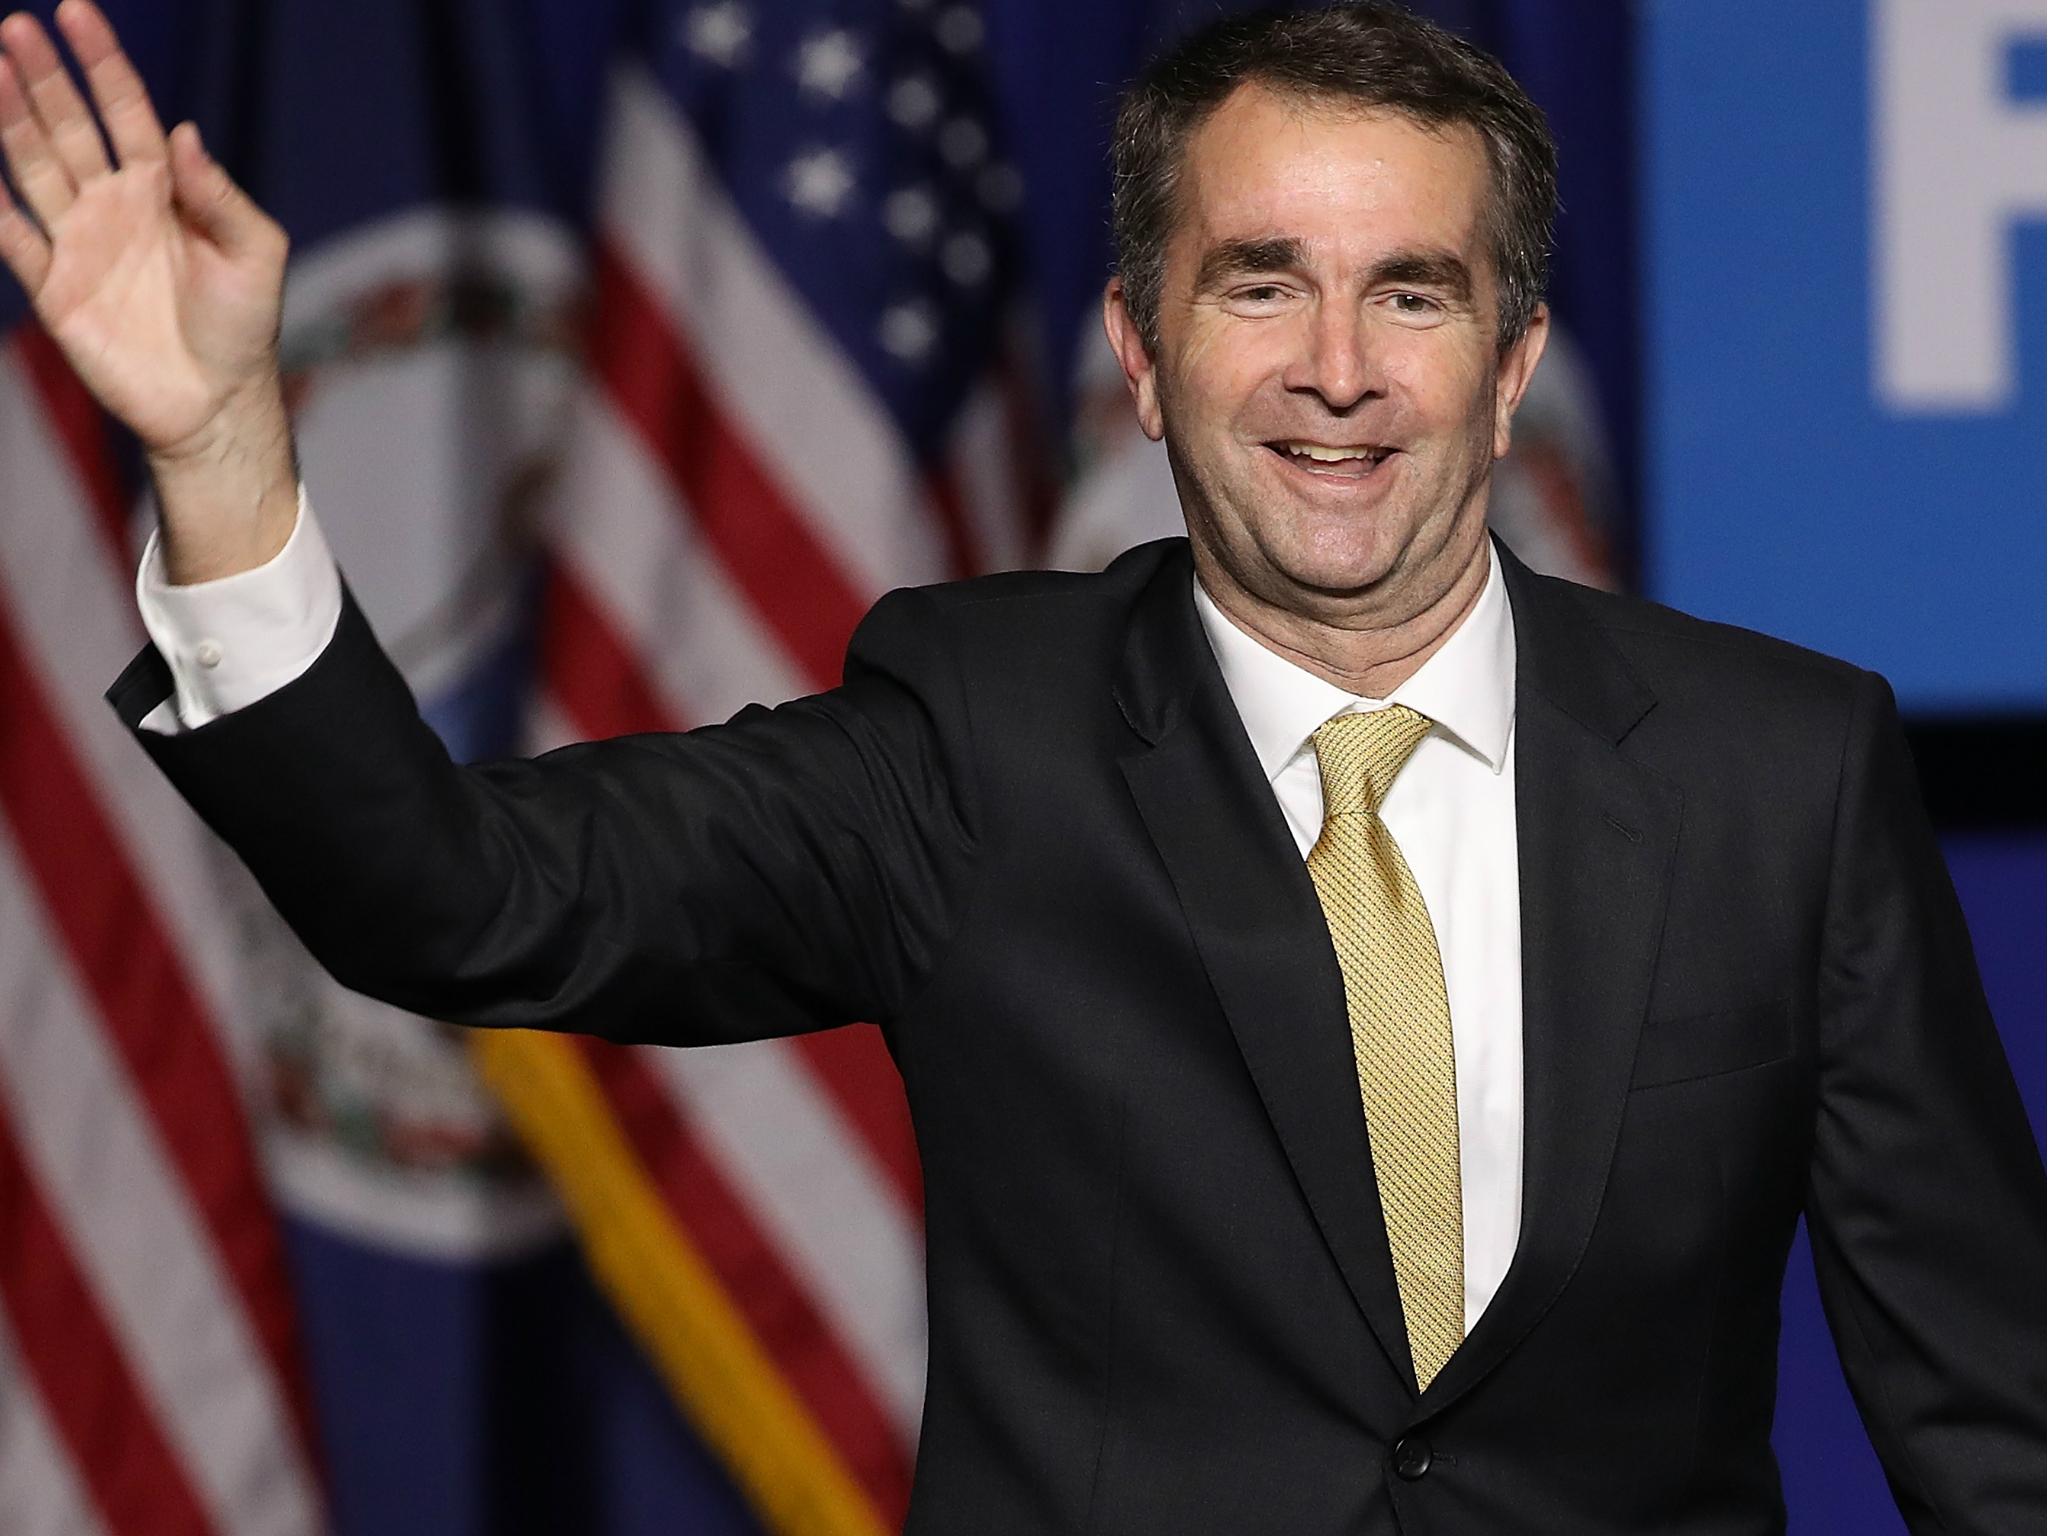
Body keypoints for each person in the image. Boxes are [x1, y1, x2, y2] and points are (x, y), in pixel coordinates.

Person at [3, 1, 2039, 1530]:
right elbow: (460, 896)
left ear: (1506, 367)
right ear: (1141, 354)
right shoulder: (983, 741)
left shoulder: (1781, 770)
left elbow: (1989, 1412)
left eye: (1409, 293)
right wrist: (217, 456)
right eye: (1260, 284)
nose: (1338, 368)